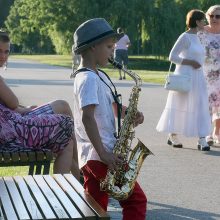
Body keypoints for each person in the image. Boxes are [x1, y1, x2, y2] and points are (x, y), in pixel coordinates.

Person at [72, 18, 146, 219]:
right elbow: (88, 118)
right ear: (93, 47)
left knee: (96, 207)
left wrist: (128, 113)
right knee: (136, 200)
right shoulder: (87, 79)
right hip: (101, 154)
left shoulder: (98, 75)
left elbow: (110, 105)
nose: (113, 51)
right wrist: (104, 153)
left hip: (94, 155)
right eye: (109, 46)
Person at [0, 30, 80, 179]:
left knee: (62, 108)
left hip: (11, 122)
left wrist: (23, 109)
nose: (3, 56)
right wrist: (21, 109)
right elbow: (13, 102)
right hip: (11, 132)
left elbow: (10, 106)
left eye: (6, 51)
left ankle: (80, 179)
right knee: (65, 126)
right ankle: (80, 179)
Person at [156, 9, 211, 151]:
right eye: (203, 20)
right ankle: (172, 135)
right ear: (197, 21)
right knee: (179, 104)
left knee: (200, 104)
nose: (205, 22)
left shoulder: (199, 37)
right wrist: (190, 62)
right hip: (185, 75)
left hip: (198, 76)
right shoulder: (185, 37)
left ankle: (202, 138)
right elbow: (172, 56)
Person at [198, 5, 220, 145]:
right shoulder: (201, 32)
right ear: (207, 16)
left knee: (219, 104)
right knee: (206, 104)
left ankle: (217, 132)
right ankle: (206, 133)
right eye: (211, 16)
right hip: (204, 73)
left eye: (218, 16)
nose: (214, 19)